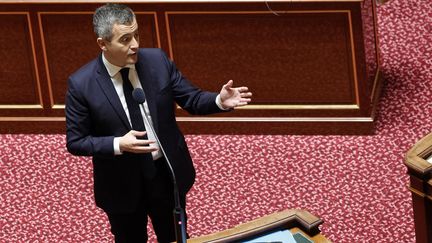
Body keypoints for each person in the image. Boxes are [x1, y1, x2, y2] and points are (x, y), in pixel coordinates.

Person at [65, 3, 252, 243]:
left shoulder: (157, 61)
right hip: (121, 184)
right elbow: (76, 141)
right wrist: (118, 144)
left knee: (175, 237)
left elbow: (191, 99)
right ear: (103, 43)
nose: (135, 45)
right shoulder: (82, 84)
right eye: (125, 39)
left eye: (136, 35)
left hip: (165, 174)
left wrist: (219, 100)